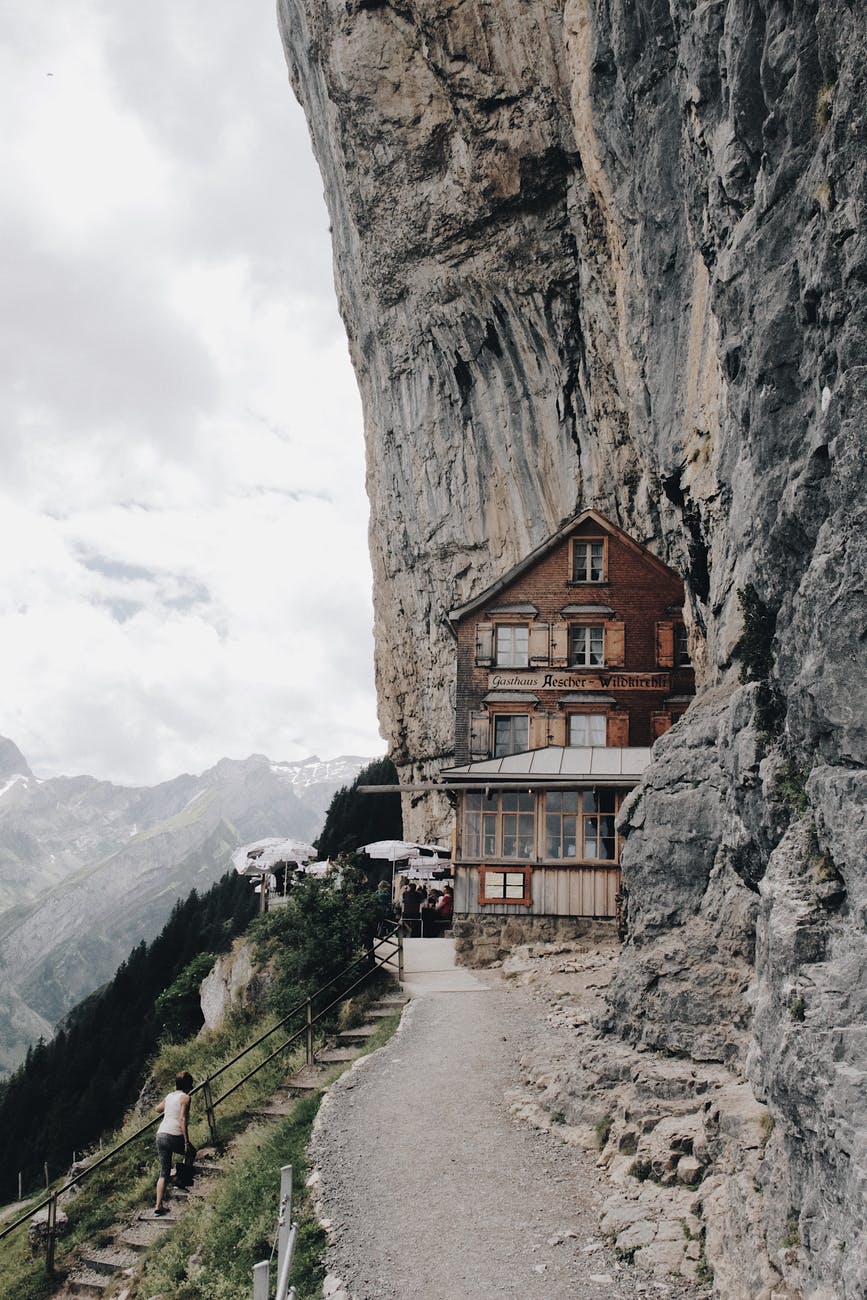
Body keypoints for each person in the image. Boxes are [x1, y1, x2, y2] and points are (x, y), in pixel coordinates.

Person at [154, 1070, 196, 1215]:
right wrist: (186, 1141)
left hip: (161, 1134)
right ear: (189, 1085)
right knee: (191, 1153)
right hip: (174, 1134)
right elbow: (183, 1119)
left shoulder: (169, 1096)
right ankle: (180, 1180)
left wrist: (169, 1107)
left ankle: (158, 1206)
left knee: (163, 1172)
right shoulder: (186, 1098)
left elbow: (157, 1109)